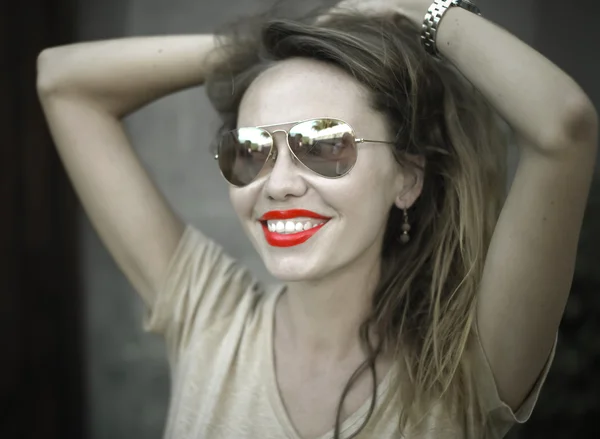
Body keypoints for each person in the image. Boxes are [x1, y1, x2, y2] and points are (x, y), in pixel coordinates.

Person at [36, 0, 598, 438]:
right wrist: (261, 48)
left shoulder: (467, 366)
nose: (277, 183)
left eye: (325, 145)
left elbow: (563, 127)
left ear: (407, 177)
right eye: (252, 150)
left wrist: (415, 13)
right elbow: (61, 82)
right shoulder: (209, 318)